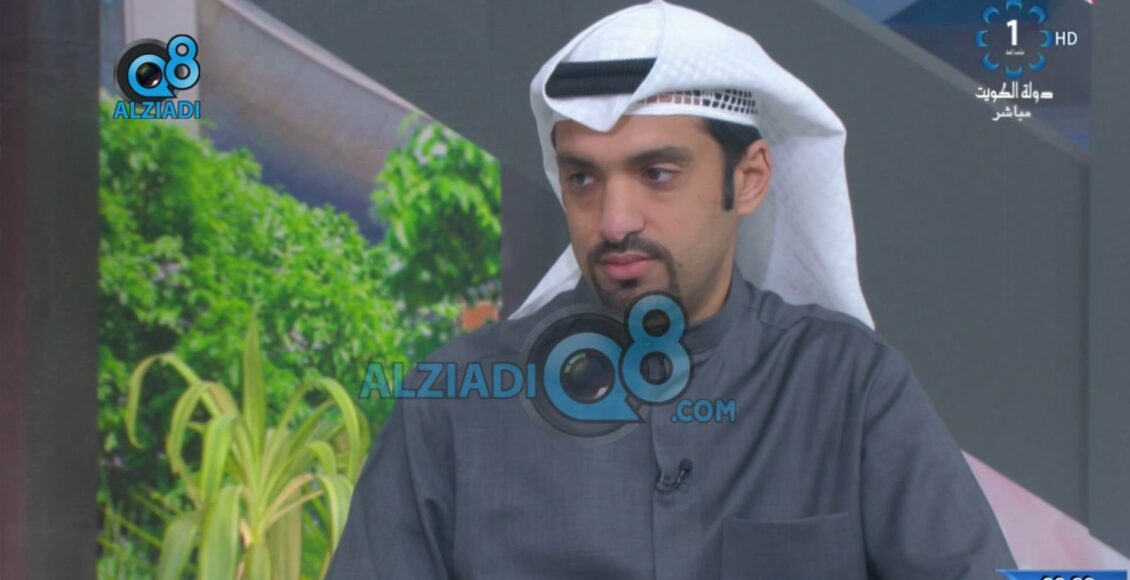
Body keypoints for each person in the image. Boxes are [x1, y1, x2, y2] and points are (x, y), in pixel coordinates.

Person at [327, 1, 1016, 578]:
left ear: (748, 179)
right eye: (583, 178)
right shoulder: (454, 408)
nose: (614, 221)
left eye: (657, 174)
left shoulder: (849, 388)